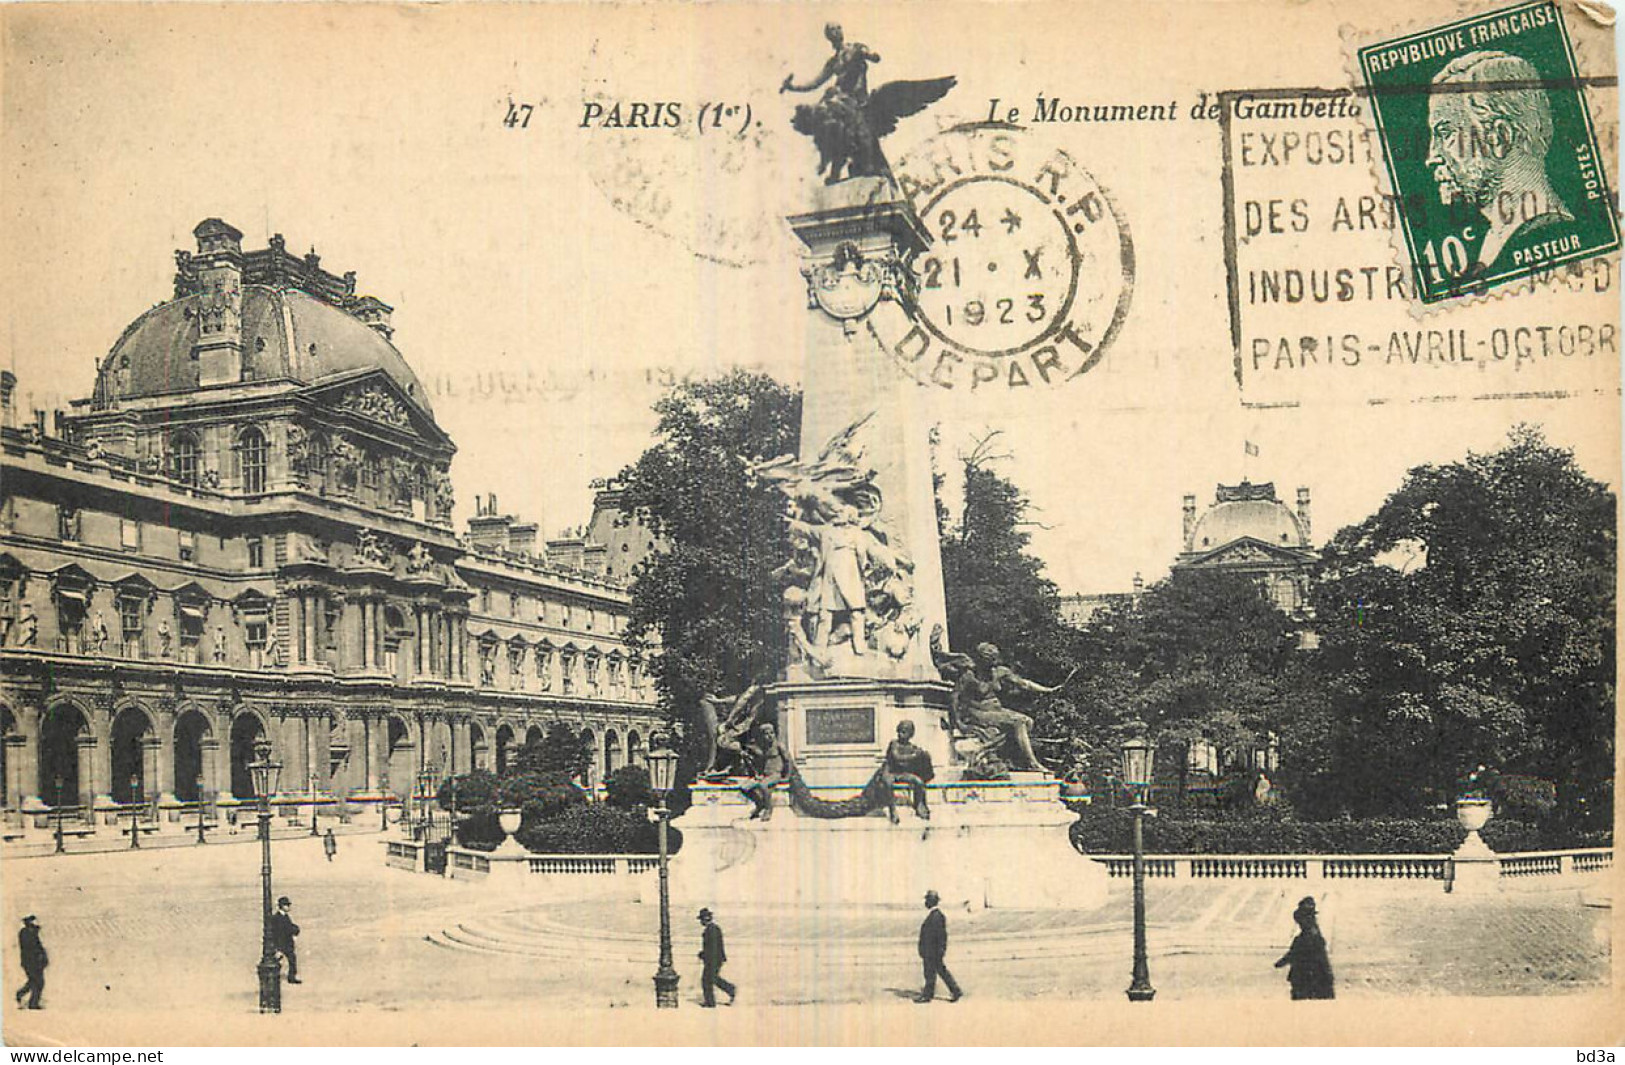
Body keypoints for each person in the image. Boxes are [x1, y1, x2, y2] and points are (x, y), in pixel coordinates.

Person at [1426, 51, 1573, 272]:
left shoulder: (1544, 233)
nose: (1432, 157)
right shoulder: (1497, 239)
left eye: (1445, 133)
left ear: (1499, 137)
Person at [1275, 896, 1335, 999]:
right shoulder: (1314, 933)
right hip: (1316, 979)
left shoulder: (1305, 938)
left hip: (1306, 980)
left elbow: (1294, 954)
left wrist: (1281, 962)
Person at [880, 720, 934, 823]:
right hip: (890, 771)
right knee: (888, 783)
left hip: (902, 773)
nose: (901, 734)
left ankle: (919, 804)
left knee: (918, 781)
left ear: (911, 734)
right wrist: (914, 756)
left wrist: (924, 756)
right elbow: (897, 757)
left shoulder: (912, 747)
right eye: (900, 731)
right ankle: (892, 809)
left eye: (905, 732)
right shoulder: (894, 744)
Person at [739, 722, 793, 821]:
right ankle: (759, 804)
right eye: (766, 734)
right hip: (764, 775)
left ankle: (768, 809)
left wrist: (786, 776)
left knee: (763, 786)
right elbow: (759, 762)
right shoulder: (763, 747)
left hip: (775, 774)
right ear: (762, 735)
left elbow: (788, 761)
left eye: (771, 733)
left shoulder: (779, 746)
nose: (769, 736)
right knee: (744, 787)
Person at [916, 890, 960, 1003]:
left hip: (933, 951)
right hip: (932, 951)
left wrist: (940, 950)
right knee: (938, 971)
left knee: (931, 973)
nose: (925, 902)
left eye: (927, 900)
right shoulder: (934, 915)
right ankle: (955, 991)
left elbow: (940, 936)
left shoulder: (936, 916)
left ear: (931, 901)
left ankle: (928, 995)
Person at [696, 908, 736, 1007]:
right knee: (713, 979)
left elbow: (712, 948)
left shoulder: (711, 930)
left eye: (701, 919)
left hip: (713, 960)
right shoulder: (713, 929)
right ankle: (731, 989)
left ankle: (710, 1003)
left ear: (706, 919)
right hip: (715, 959)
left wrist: (704, 955)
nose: (701, 922)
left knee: (706, 981)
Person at [14, 916, 47, 1010]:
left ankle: (21, 995)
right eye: (32, 921)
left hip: (35, 962)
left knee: (34, 982)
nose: (35, 923)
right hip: (31, 962)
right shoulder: (25, 933)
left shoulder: (32, 932)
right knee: (38, 982)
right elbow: (31, 948)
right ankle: (33, 1003)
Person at [271, 896, 301, 984]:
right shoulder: (277, 918)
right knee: (279, 959)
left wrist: (296, 930)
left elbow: (290, 927)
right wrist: (278, 948)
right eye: (287, 905)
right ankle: (275, 977)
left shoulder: (285, 916)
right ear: (282, 906)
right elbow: (278, 933)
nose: (289, 907)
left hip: (287, 944)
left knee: (292, 960)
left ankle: (291, 977)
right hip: (282, 944)